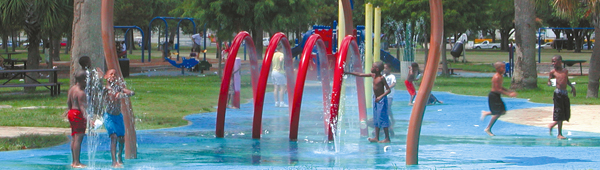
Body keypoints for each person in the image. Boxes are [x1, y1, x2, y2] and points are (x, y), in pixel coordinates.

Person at [345, 61, 391, 143]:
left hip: (382, 101)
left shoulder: (381, 78)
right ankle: (376, 137)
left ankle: (387, 138)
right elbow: (360, 75)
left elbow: (388, 90)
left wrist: (380, 97)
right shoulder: (372, 75)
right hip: (375, 99)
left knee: (382, 118)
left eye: (372, 67)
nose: (371, 68)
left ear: (376, 69)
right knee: (376, 118)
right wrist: (348, 73)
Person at [103, 69, 135, 168]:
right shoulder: (106, 89)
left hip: (118, 116)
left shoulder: (118, 87)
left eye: (115, 74)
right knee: (114, 137)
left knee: (121, 139)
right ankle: (114, 161)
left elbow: (130, 92)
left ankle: (119, 155)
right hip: (109, 117)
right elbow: (114, 96)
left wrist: (129, 93)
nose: (113, 76)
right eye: (111, 74)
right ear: (106, 76)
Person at [480, 62, 517, 136]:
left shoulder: (500, 76)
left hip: (497, 95)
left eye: (504, 67)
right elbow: (497, 89)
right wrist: (508, 94)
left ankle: (486, 113)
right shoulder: (496, 77)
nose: (504, 69)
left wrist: (508, 91)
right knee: (498, 113)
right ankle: (488, 128)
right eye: (502, 68)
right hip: (494, 95)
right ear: (498, 68)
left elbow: (500, 87)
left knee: (502, 111)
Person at [547, 55, 576, 139]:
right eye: (552, 61)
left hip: (565, 93)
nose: (553, 63)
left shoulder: (565, 71)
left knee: (566, 113)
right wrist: (549, 83)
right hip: (558, 93)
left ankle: (552, 125)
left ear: (560, 61)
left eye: (554, 61)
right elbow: (549, 81)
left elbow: (566, 80)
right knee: (559, 112)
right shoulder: (553, 72)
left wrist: (572, 87)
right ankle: (559, 134)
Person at [65, 70, 88, 168]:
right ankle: (77, 162)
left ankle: (73, 161)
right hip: (78, 114)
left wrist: (68, 110)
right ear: (83, 80)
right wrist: (89, 118)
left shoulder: (72, 89)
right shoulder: (81, 93)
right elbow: (82, 108)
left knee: (74, 138)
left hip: (71, 113)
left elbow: (68, 101)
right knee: (78, 138)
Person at [383, 63, 396, 136]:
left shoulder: (392, 76)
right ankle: (392, 119)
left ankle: (389, 121)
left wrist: (388, 87)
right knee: (387, 108)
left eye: (386, 68)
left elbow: (394, 83)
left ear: (389, 69)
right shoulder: (383, 76)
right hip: (384, 95)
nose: (385, 70)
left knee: (388, 107)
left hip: (389, 95)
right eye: (384, 68)